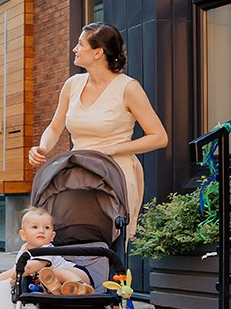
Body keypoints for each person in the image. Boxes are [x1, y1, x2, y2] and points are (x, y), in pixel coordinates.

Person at [29, 22, 168, 239]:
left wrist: (112, 149)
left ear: (98, 53)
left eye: (80, 44)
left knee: (111, 241)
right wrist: (42, 147)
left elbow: (159, 137)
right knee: (71, 237)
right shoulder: (72, 85)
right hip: (77, 174)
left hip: (114, 174)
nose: (74, 49)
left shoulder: (128, 88)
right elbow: (55, 127)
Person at [0, 207, 95, 296]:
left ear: (52, 236)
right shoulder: (23, 251)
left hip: (77, 274)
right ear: (23, 235)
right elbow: (16, 270)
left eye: (46, 228)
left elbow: (28, 269)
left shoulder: (47, 249)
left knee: (57, 272)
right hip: (56, 285)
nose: (41, 230)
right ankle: (58, 291)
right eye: (35, 227)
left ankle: (82, 288)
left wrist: (5, 278)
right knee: (46, 282)